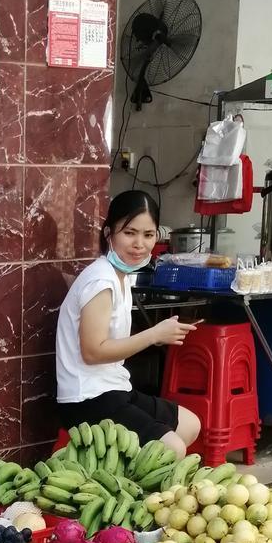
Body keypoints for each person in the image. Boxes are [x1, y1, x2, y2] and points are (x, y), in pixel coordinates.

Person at [55, 189, 202, 454]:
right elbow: (93, 351)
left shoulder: (121, 275)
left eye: (148, 235)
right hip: (87, 399)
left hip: (115, 388)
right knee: (172, 450)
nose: (139, 244)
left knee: (190, 424)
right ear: (109, 233)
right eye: (129, 233)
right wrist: (155, 334)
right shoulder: (101, 281)